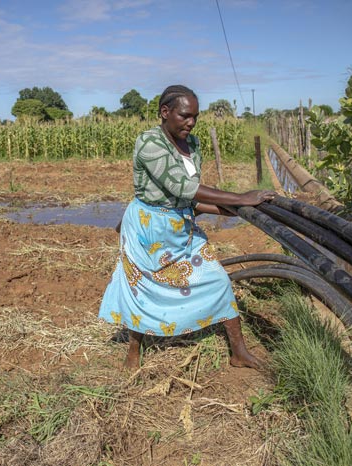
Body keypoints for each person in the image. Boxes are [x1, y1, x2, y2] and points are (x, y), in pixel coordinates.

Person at [98, 84, 276, 369]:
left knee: (217, 278)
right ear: (165, 112)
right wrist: (240, 197)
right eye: (184, 116)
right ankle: (134, 349)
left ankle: (238, 352)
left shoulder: (192, 144)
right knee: (142, 288)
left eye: (195, 116)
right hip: (149, 228)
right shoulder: (149, 143)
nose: (191, 122)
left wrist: (236, 209)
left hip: (181, 226)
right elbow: (183, 186)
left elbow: (187, 199)